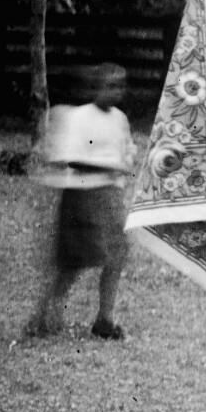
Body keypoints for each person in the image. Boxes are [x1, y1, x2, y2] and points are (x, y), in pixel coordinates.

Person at [31, 62, 134, 339]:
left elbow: (126, 154)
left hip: (111, 195)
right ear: (95, 88)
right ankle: (45, 315)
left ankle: (105, 318)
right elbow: (71, 159)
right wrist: (110, 167)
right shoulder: (78, 117)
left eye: (120, 86)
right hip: (83, 194)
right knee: (74, 261)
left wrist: (121, 168)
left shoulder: (119, 119)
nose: (116, 92)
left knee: (117, 254)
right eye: (109, 86)